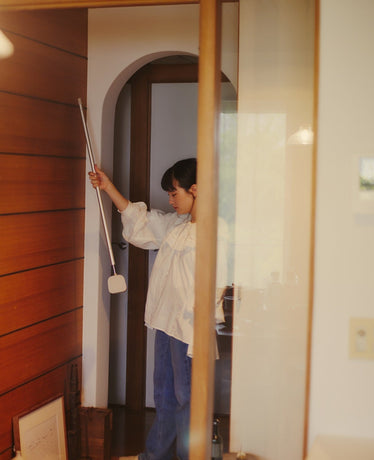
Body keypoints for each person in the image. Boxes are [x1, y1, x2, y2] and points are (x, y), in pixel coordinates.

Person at [88, 158, 226, 460]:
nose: (171, 200)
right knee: (164, 395)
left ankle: (193, 456)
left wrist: (205, 323)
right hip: (165, 323)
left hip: (189, 330)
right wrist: (108, 187)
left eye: (175, 193)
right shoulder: (177, 225)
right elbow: (142, 222)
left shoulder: (217, 230)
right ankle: (155, 456)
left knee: (188, 399)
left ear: (195, 189)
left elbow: (220, 282)